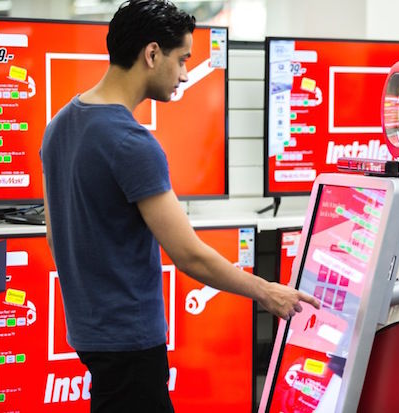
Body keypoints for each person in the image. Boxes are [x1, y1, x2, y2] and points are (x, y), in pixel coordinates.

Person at [40, 1, 320, 412]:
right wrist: (267, 292)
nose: (187, 73)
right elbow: (189, 255)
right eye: (183, 58)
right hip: (130, 342)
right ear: (151, 54)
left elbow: (54, 235)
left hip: (90, 335)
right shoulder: (130, 142)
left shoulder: (60, 124)